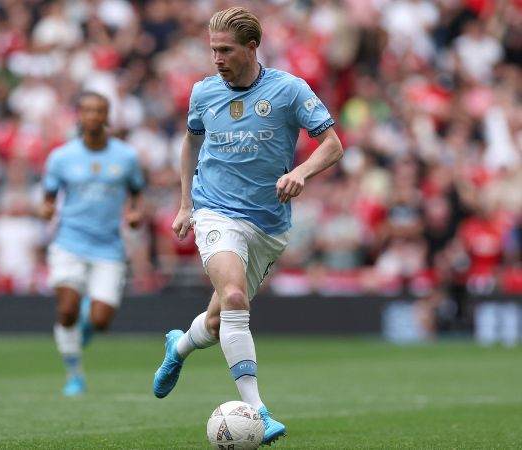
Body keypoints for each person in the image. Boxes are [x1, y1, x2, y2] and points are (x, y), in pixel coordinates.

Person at [152, 6, 343, 445]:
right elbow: (190, 143)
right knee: (235, 295)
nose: (216, 58)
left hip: (269, 225)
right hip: (215, 211)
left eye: (226, 50)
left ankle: (179, 346)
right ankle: (259, 409)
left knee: (221, 320)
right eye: (212, 50)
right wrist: (185, 205)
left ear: (252, 47)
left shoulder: (289, 90)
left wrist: (301, 173)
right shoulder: (203, 92)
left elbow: (332, 145)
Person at [40, 91, 145, 396]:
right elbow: (48, 197)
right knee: (67, 309)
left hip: (109, 246)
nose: (94, 116)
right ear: (79, 116)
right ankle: (75, 375)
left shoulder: (126, 157)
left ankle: (80, 327)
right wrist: (45, 209)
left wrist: (135, 213)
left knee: (100, 321)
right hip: (69, 242)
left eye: (100, 111)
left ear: (107, 117)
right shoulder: (61, 157)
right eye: (87, 110)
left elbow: (137, 192)